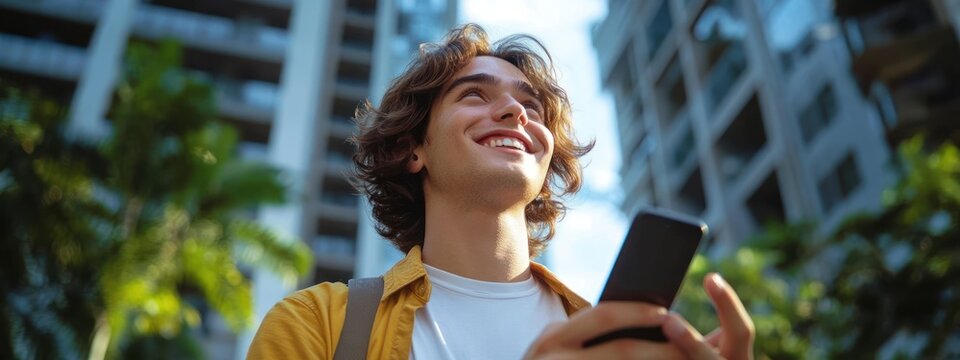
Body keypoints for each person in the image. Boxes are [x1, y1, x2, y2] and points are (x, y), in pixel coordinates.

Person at [247, 23, 754, 359]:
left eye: (531, 106)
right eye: (474, 94)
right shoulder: (317, 325)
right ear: (413, 148)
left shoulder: (623, 339)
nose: (517, 113)